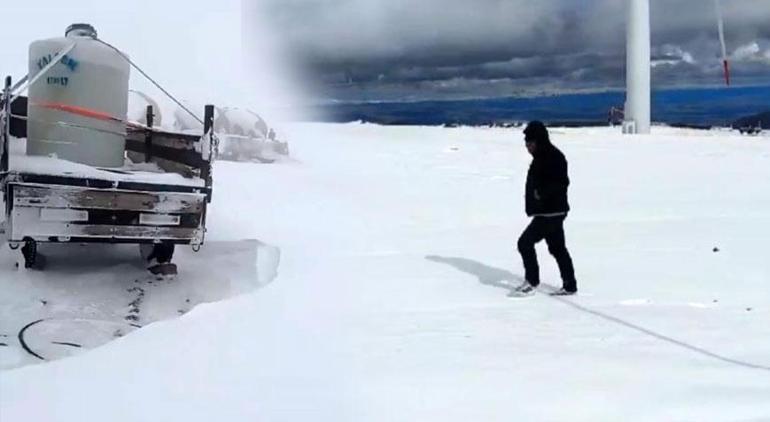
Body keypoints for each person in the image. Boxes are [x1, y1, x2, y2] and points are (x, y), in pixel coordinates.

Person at [511, 121, 577, 296]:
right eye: (526, 143)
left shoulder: (553, 157)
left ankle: (531, 282)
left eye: (530, 143)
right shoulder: (541, 157)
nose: (527, 147)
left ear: (539, 141)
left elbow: (562, 182)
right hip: (549, 211)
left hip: (551, 212)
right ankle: (570, 285)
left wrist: (542, 194)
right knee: (557, 248)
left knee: (524, 243)